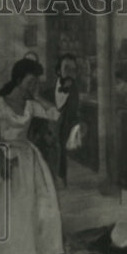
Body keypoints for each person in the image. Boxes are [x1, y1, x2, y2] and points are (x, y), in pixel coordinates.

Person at [0, 57, 64, 254]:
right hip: (4, 153)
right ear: (18, 80)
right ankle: (6, 250)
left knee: (33, 201)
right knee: (5, 203)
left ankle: (28, 247)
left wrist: (37, 96)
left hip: (27, 155)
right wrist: (0, 158)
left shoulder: (31, 105)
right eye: (30, 82)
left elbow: (55, 114)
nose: (33, 87)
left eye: (36, 83)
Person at [31, 53, 81, 187]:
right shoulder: (46, 92)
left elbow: (74, 115)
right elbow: (38, 116)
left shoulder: (75, 93)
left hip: (63, 131)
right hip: (46, 132)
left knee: (60, 149)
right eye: (67, 69)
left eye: (74, 70)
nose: (71, 73)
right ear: (58, 71)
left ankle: (60, 177)